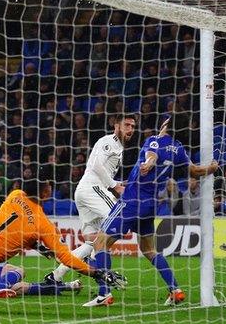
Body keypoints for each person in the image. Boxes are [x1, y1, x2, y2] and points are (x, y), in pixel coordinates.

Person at [87, 115, 219, 307]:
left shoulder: (154, 140)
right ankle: (175, 290)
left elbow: (152, 155)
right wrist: (211, 168)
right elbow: (195, 171)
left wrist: (148, 164)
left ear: (166, 125)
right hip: (151, 205)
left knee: (100, 243)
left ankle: (104, 294)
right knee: (149, 250)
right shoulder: (179, 150)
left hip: (132, 202)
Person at [47, 114, 135, 284]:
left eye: (132, 126)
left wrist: (116, 183)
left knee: (93, 242)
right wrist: (114, 186)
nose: (130, 129)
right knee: (119, 220)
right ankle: (102, 272)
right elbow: (95, 165)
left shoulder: (117, 146)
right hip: (92, 190)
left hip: (86, 191)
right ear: (116, 125)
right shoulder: (109, 142)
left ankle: (56, 276)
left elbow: (102, 171)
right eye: (126, 125)